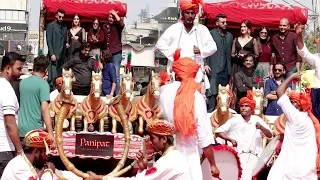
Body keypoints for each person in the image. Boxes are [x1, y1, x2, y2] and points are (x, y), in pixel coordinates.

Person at [159, 49, 219, 180]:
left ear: (175, 74)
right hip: (189, 160)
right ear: (193, 76)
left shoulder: (163, 93)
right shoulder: (197, 98)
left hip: (166, 157)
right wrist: (213, 164)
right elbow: (204, 138)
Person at [85, 120, 192, 180]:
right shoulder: (173, 156)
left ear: (164, 139)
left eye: (152, 138)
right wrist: (143, 168)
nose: (150, 142)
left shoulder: (169, 161)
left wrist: (100, 179)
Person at [267, 73, 320, 180]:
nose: (290, 104)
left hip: (290, 170)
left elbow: (279, 92)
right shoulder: (310, 119)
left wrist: (291, 77)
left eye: (292, 102)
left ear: (299, 104)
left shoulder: (294, 115)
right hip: (308, 171)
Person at [156, 0, 217, 88]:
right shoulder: (175, 28)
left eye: (192, 13)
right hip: (177, 72)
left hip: (195, 73)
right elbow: (160, 43)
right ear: (182, 13)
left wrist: (201, 50)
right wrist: (174, 55)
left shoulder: (202, 29)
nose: (190, 16)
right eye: (187, 13)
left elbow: (213, 47)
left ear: (195, 14)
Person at [215, 91, 272, 180]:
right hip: (237, 159)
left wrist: (261, 127)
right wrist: (230, 139)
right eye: (242, 106)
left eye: (246, 106)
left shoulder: (257, 119)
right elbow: (218, 132)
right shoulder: (234, 120)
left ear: (252, 108)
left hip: (255, 159)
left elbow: (270, 135)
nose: (243, 108)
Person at [1, 129, 81, 180]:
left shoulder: (33, 163)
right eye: (44, 152)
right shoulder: (19, 167)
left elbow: (59, 174)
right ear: (36, 152)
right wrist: (49, 172)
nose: (47, 155)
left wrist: (83, 178)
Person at [18, 55, 54, 140]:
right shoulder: (43, 84)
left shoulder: (22, 83)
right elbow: (44, 109)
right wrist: (51, 133)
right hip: (35, 131)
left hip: (20, 129)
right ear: (46, 70)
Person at [0, 52, 25, 177]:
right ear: (8, 68)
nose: (22, 72)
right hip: (5, 149)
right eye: (19, 69)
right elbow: (10, 123)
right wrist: (19, 150)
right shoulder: (6, 89)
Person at [205, 14, 233, 112]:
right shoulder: (210, 34)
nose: (225, 24)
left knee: (223, 95)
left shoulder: (229, 36)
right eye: (223, 22)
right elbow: (205, 49)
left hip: (225, 71)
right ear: (217, 23)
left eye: (226, 22)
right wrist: (205, 63)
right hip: (213, 68)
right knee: (212, 94)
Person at [101, 9, 125, 95]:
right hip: (107, 54)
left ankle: (117, 95)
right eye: (110, 17)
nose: (111, 19)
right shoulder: (104, 26)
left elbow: (122, 24)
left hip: (116, 53)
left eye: (112, 18)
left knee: (116, 75)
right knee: (106, 75)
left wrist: (115, 14)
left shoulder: (117, 26)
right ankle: (106, 93)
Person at [46, 8, 67, 91]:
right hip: (54, 55)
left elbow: (64, 40)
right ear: (56, 16)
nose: (61, 19)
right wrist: (52, 53)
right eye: (59, 17)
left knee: (59, 77)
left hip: (62, 56)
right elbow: (49, 40)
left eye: (62, 17)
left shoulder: (64, 27)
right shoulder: (51, 26)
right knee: (53, 77)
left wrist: (66, 44)